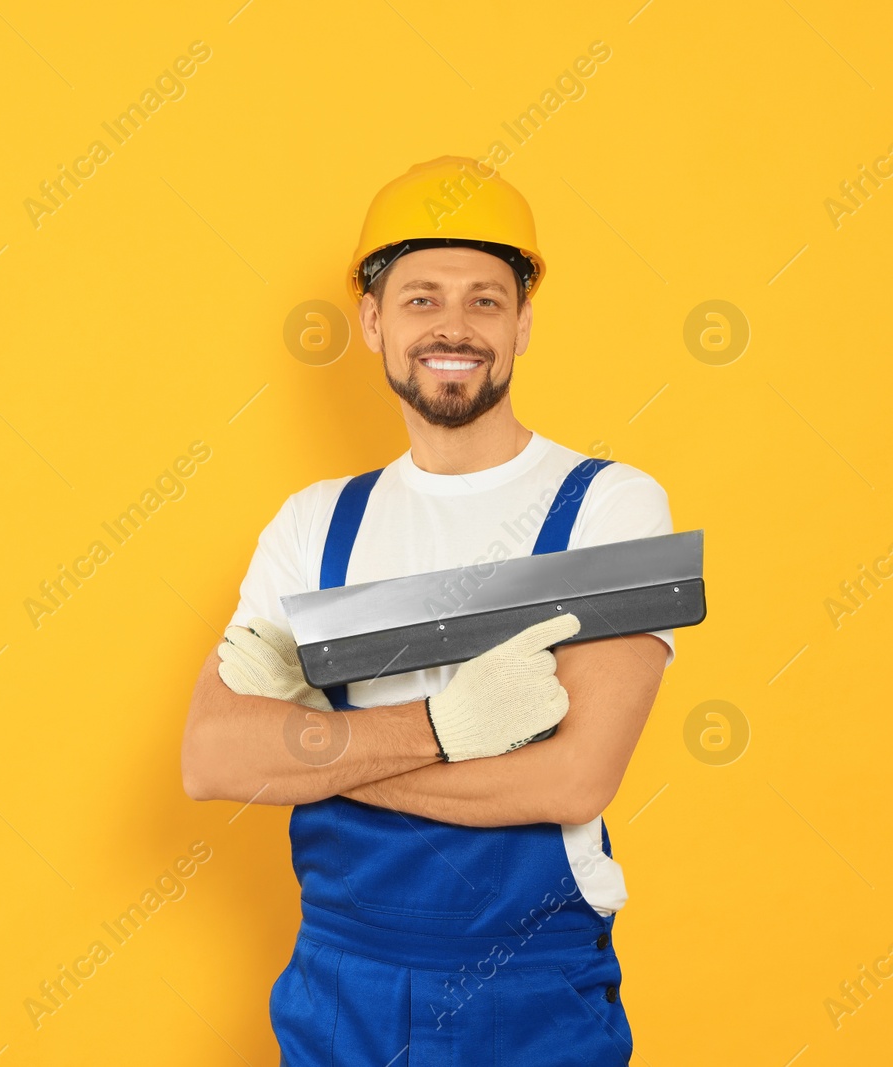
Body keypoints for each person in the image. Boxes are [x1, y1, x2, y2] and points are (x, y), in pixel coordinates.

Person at [180, 156, 675, 1065]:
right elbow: (211, 756)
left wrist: (314, 758)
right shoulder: (316, 522)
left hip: (529, 990)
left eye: (486, 299)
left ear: (524, 320)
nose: (455, 326)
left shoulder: (610, 507)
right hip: (339, 985)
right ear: (372, 321)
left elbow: (572, 782)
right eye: (421, 299)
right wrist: (448, 725)